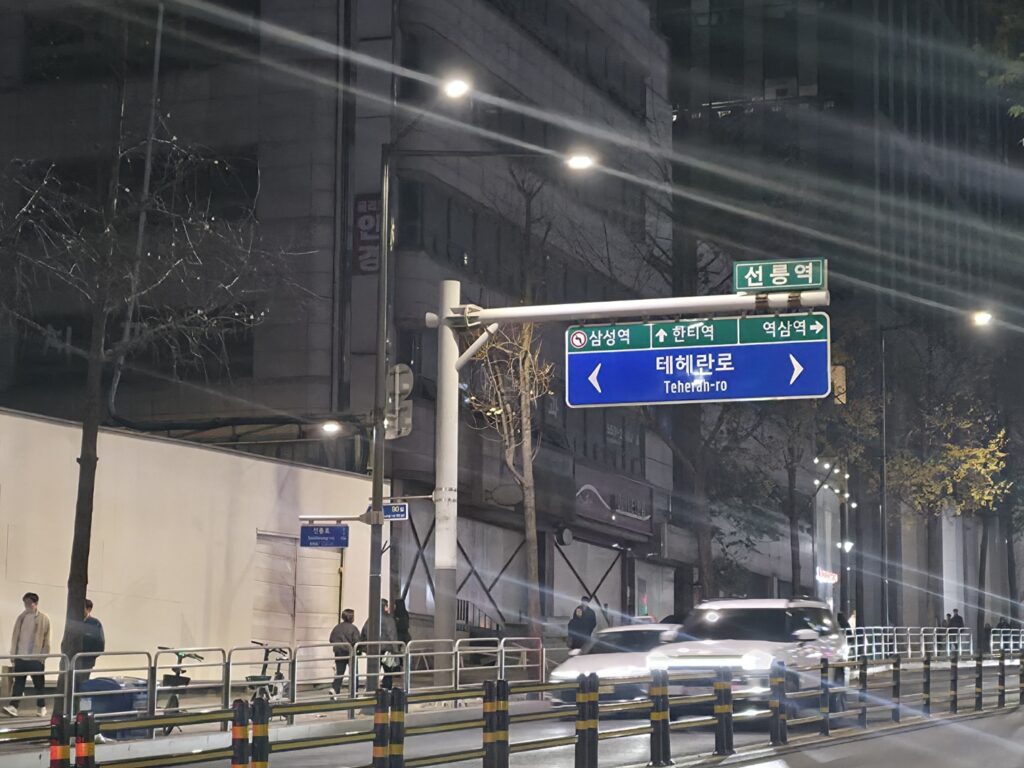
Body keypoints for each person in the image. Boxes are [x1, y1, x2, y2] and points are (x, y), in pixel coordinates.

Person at [3, 593, 52, 718]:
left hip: (35, 658)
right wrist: (13, 656)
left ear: (35, 603)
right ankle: (14, 706)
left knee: (39, 684)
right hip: (21, 657)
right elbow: (15, 637)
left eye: (29, 602)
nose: (26, 605)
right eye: (25, 602)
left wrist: (42, 658)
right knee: (18, 682)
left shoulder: (44, 618)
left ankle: (41, 707)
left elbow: (47, 640)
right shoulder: (21, 617)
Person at [361, 599, 400, 689]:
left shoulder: (371, 619)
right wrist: (395, 650)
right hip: (387, 649)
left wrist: (364, 646)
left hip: (373, 649)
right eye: (386, 606)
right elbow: (392, 635)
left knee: (374, 670)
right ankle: (386, 689)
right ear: (384, 607)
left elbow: (364, 632)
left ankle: (372, 688)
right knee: (388, 671)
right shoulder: (389, 620)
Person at [329, 609, 360, 697]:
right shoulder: (353, 628)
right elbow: (357, 641)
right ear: (351, 617)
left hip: (339, 652)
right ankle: (354, 692)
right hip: (350, 653)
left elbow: (331, 639)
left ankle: (335, 689)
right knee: (354, 673)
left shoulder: (337, 627)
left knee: (339, 672)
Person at [77, 599, 106, 684]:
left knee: (83, 683)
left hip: (87, 661)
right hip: (73, 660)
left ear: (89, 609)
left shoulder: (95, 624)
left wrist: (90, 657)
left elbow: (100, 644)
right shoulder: (74, 621)